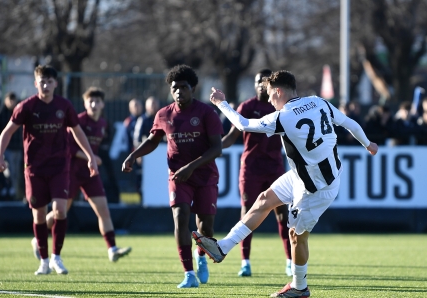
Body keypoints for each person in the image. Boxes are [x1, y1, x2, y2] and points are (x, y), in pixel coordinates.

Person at [193, 70, 378, 297]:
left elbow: (242, 125)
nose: (269, 100)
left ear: (279, 91)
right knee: (264, 200)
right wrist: (368, 144)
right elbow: (349, 123)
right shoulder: (318, 102)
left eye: (270, 94)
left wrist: (221, 103)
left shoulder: (283, 116)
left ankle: (300, 287)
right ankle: (222, 248)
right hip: (303, 175)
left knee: (297, 236)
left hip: (317, 188)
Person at [122, 65, 223, 288]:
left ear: (193, 88)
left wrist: (192, 166)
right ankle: (188, 273)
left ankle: (201, 256)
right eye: (174, 88)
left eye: (184, 87)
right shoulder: (163, 114)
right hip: (178, 176)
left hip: (204, 175)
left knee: (205, 227)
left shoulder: (206, 113)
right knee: (180, 216)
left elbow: (217, 149)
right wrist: (132, 155)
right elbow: (152, 140)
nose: (179, 92)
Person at [0, 65, 98, 276]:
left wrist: (90, 157)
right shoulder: (26, 106)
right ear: (36, 84)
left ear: (55, 84)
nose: (46, 85)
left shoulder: (65, 106)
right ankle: (43, 260)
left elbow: (77, 132)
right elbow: (7, 131)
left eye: (50, 81)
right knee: (39, 214)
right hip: (34, 168)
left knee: (60, 210)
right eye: (42, 81)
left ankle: (56, 258)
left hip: (60, 166)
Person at [38, 87, 131, 262]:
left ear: (103, 104)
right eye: (91, 101)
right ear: (85, 103)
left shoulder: (103, 124)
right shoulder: (78, 121)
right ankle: (39, 238)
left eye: (97, 101)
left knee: (103, 210)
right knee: (60, 212)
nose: (94, 104)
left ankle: (112, 249)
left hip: (90, 173)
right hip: (71, 172)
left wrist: (93, 160)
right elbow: (68, 147)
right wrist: (92, 157)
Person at [221, 69, 292, 277]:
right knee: (247, 212)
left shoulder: (280, 107)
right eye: (257, 81)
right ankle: (245, 262)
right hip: (251, 169)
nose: (261, 84)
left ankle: (289, 261)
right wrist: (211, 148)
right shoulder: (247, 106)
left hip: (274, 168)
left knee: (282, 215)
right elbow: (231, 137)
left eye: (264, 81)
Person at [0, 91, 22, 200]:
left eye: (14, 100)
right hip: (7, 149)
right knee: (8, 172)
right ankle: (9, 193)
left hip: (18, 149)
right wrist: (0, 147)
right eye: (10, 100)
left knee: (17, 173)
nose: (12, 102)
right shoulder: (0, 114)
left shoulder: (20, 113)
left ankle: (16, 194)